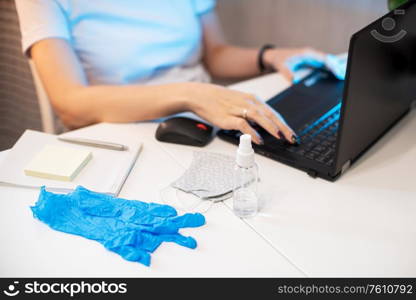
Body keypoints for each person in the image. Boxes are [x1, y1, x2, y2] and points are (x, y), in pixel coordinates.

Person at [15, 0, 322, 145]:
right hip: (116, 134)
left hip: (205, 122)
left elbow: (215, 55)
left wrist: (271, 56)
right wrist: (190, 95)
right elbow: (71, 105)